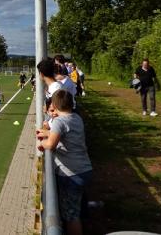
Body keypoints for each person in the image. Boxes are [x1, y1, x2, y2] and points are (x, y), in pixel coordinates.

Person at [37, 90, 92, 235]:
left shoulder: (59, 122)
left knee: (71, 216)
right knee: (75, 208)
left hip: (71, 174)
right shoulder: (76, 117)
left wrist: (43, 140)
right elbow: (66, 134)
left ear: (54, 105)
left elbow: (50, 145)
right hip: (85, 169)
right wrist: (48, 133)